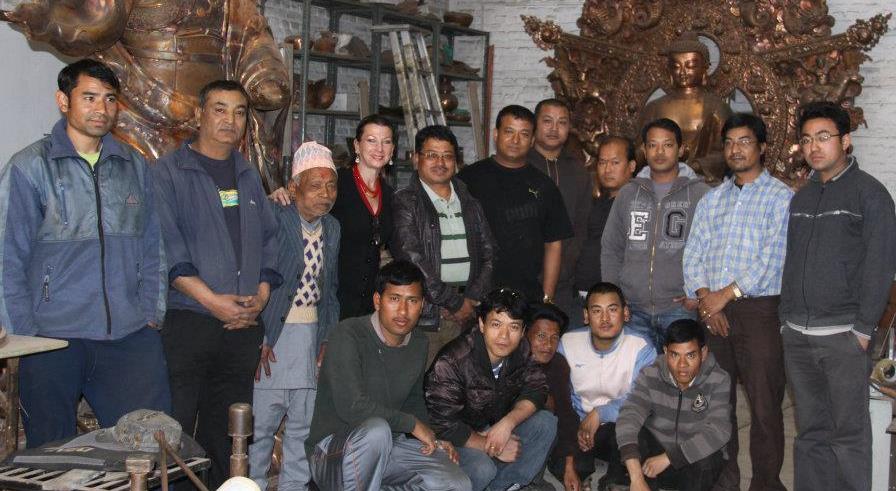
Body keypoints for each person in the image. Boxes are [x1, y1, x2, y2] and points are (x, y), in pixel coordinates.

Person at [0, 59, 170, 447]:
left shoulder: (134, 166)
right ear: (64, 101)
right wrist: (28, 336)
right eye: (89, 97)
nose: (101, 109)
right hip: (53, 340)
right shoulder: (30, 167)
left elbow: (153, 246)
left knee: (152, 448)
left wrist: (150, 315)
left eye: (110, 99)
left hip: (129, 336)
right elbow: (7, 260)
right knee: (52, 456)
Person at [153, 79, 281, 487]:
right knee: (175, 431)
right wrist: (213, 302)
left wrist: (260, 297)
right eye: (220, 109)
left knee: (229, 434)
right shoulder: (169, 172)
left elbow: (271, 241)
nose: (230, 120)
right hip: (190, 322)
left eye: (240, 112)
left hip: (242, 326)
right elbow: (168, 249)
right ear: (200, 114)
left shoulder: (248, 175)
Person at [779, 101, 896, 491]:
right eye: (807, 139)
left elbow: (880, 268)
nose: (814, 147)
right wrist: (785, 320)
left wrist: (863, 331)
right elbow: (791, 262)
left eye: (824, 137)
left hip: (845, 337)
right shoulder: (802, 198)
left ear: (845, 141)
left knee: (847, 436)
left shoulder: (871, 196)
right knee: (810, 433)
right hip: (798, 335)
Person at [682, 113, 792, 491]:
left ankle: (765, 483)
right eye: (729, 142)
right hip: (711, 312)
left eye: (744, 141)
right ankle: (723, 482)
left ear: (762, 147)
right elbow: (692, 255)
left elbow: (772, 258)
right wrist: (704, 300)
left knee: (764, 406)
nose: (735, 148)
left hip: (758, 310)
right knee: (716, 406)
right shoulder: (713, 200)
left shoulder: (780, 197)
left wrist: (722, 296)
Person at [306, 260, 471, 491]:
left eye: (412, 301)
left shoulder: (419, 342)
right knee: (377, 432)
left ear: (422, 305)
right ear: (377, 301)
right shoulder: (349, 334)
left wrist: (431, 437)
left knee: (457, 484)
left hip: (390, 446)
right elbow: (352, 407)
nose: (403, 311)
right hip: (333, 452)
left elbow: (413, 401)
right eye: (394, 299)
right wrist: (412, 425)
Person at [248, 142, 340, 491]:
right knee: (261, 426)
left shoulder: (333, 228)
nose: (325, 194)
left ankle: (294, 487)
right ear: (294, 186)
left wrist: (327, 340)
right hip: (274, 337)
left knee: (303, 427)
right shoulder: (276, 217)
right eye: (315, 185)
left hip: (311, 337)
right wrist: (260, 337)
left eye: (331, 185)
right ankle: (250, 485)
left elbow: (329, 292)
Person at [425, 288, 556, 491]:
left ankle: (504, 486)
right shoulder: (452, 361)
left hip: (494, 426)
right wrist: (490, 446)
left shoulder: (521, 348)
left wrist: (507, 424)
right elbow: (443, 425)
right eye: (496, 324)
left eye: (513, 327)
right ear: (481, 324)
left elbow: (537, 388)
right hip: (454, 439)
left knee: (546, 423)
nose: (504, 336)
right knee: (482, 467)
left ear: (523, 332)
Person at [601, 118, 709, 351]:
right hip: (633, 308)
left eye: (667, 145)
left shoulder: (701, 194)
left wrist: (699, 293)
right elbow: (611, 247)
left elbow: (713, 249)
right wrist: (613, 298)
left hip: (680, 308)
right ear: (644, 150)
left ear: (681, 150)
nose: (659, 152)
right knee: (637, 380)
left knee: (679, 379)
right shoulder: (628, 193)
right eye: (652, 145)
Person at [392, 125, 495, 365]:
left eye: (447, 156)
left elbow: (490, 252)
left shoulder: (470, 201)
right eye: (431, 155)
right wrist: (453, 302)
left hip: (469, 313)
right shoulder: (406, 201)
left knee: (461, 390)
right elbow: (412, 259)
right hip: (430, 315)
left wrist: (471, 299)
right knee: (426, 387)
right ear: (416, 158)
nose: (440, 162)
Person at [458, 105, 573, 305]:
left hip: (527, 297)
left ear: (532, 140)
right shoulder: (468, 179)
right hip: (476, 296)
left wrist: (546, 297)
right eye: (509, 132)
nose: (515, 140)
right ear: (496, 134)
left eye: (524, 134)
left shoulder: (544, 185)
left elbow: (554, 243)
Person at [557, 282, 656, 490]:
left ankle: (615, 483)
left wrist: (600, 414)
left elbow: (644, 399)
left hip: (618, 427)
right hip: (579, 424)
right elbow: (561, 396)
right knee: (561, 454)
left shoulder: (641, 347)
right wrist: (582, 423)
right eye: (596, 311)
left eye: (612, 310)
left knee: (638, 432)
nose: (605, 319)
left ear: (626, 313)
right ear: (586, 316)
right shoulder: (567, 343)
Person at [616, 319, 732, 491]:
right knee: (630, 432)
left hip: (691, 462)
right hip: (654, 462)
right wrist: (636, 478)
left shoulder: (719, 379)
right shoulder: (650, 374)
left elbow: (719, 431)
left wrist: (669, 458)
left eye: (691, 355)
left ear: (704, 352)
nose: (682, 365)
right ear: (665, 351)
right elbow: (628, 416)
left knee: (708, 456)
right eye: (674, 355)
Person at [636, 32, 733, 182]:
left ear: (704, 69)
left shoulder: (717, 107)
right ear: (669, 71)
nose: (682, 72)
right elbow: (640, 150)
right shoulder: (654, 107)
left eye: (690, 66)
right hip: (659, 179)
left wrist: (694, 166)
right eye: (676, 66)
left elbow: (727, 152)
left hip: (702, 182)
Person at [527, 99, 592, 321]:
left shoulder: (578, 171)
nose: (554, 128)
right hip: (522, 278)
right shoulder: (520, 165)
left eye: (561, 122)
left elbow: (581, 228)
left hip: (565, 282)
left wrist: (566, 267)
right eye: (547, 121)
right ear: (535, 125)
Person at [331, 115, 396, 319]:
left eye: (386, 142)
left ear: (392, 150)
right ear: (356, 146)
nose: (379, 149)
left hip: (368, 302)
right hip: (332, 298)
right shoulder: (336, 183)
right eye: (371, 140)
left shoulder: (389, 194)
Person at [525, 303, 580, 491]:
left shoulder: (557, 364)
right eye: (541, 336)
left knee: (550, 416)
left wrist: (569, 466)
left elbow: (566, 414)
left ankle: (533, 478)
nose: (548, 345)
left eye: (554, 338)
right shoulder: (512, 359)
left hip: (538, 433)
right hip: (500, 434)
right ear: (525, 333)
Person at [574, 136, 636, 300]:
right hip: (582, 293)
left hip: (614, 297)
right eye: (602, 162)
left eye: (615, 163)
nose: (607, 169)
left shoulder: (638, 204)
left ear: (631, 165)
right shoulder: (597, 202)